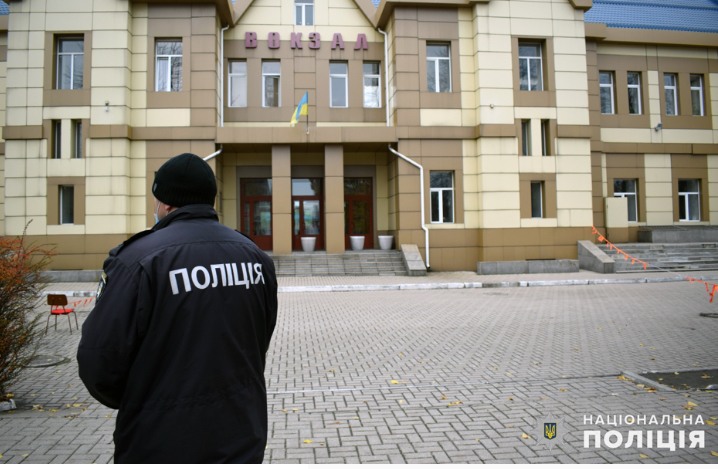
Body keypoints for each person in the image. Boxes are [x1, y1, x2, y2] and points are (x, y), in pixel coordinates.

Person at [77, 152, 278, 463]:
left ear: (165, 204)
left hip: (160, 441)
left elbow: (99, 359)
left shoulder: (137, 260)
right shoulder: (254, 257)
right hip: (241, 436)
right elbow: (260, 338)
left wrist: (140, 398)